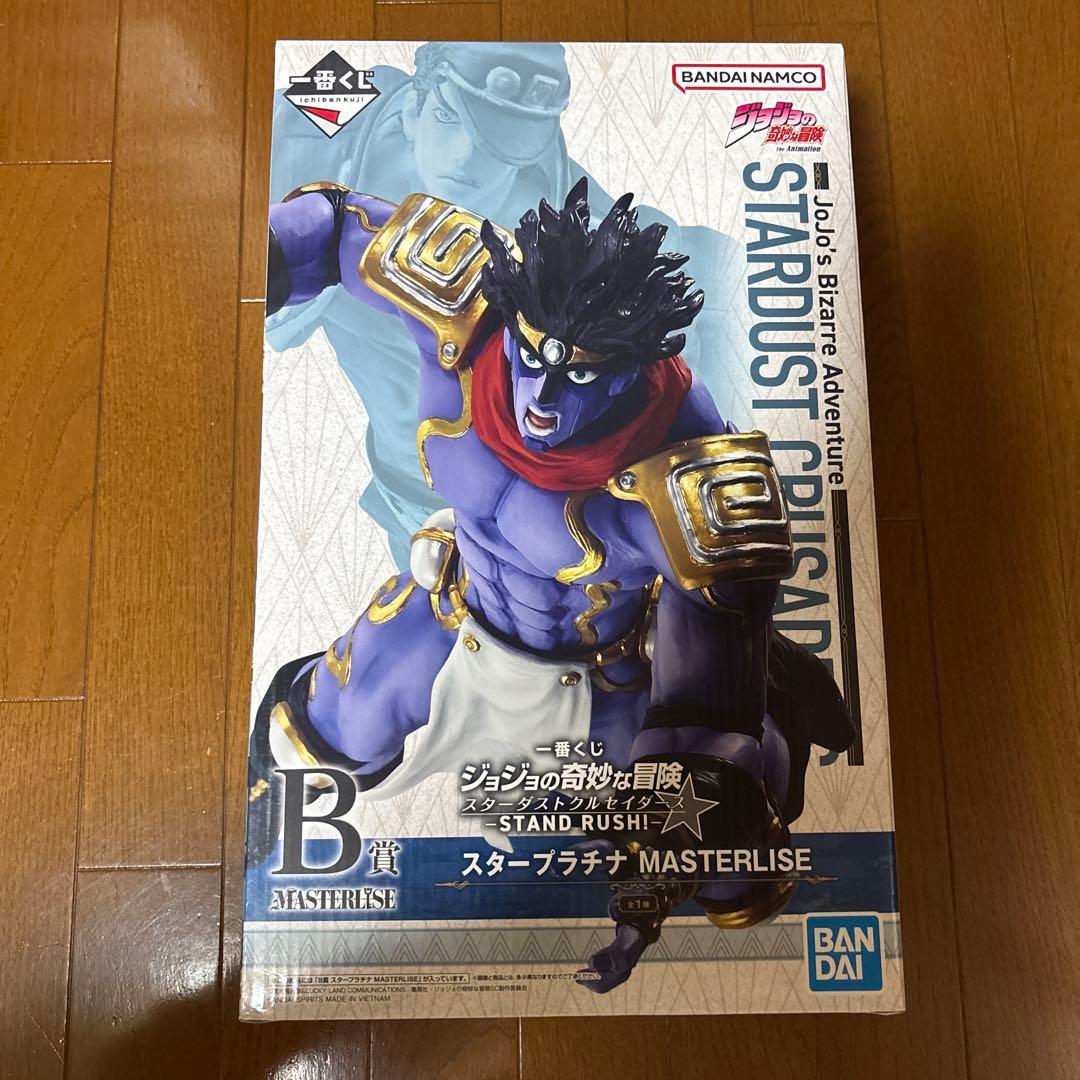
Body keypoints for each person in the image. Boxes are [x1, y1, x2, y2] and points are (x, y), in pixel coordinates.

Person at [249, 178, 853, 991]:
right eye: (532, 358)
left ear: (634, 369)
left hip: (603, 672)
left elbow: (699, 719)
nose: (542, 397)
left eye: (581, 376)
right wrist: (256, 261)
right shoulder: (467, 303)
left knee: (728, 865)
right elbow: (330, 229)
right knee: (313, 739)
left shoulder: (692, 474)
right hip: (458, 606)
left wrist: (652, 884)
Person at [267, 42, 739, 566]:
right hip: (416, 493)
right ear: (413, 109)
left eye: (499, 144)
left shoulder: (562, 228)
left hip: (543, 515)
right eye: (448, 117)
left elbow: (685, 268)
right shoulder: (332, 110)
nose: (465, 158)